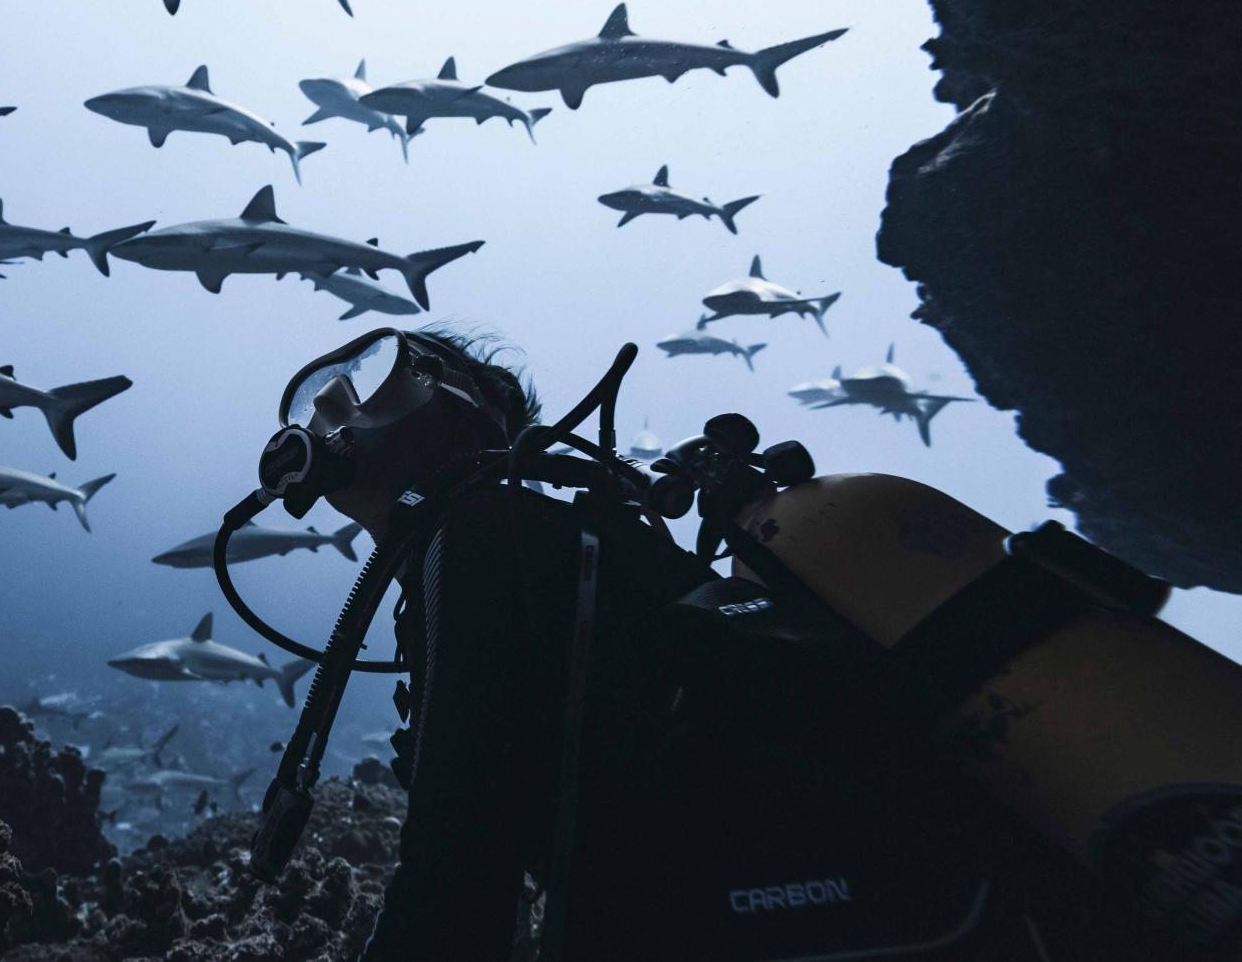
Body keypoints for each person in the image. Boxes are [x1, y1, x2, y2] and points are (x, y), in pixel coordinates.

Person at [272, 326, 1196, 962]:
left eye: (372, 377)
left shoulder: (479, 537)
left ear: (466, 409)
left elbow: (455, 876)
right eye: (317, 404)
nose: (330, 417)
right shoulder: (568, 548)